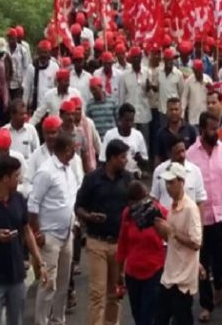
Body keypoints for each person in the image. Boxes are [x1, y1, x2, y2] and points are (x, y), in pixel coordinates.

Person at [0, 156, 49, 325]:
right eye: (16, 176)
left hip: (16, 275)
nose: (20, 179)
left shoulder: (19, 200)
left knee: (16, 321)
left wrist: (40, 262)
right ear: (6, 178)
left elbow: (27, 231)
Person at [75, 139, 133, 325]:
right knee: (97, 294)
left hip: (119, 245)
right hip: (97, 243)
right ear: (112, 158)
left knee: (115, 292)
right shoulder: (92, 179)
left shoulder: (128, 179)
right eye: (123, 157)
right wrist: (90, 217)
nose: (126, 161)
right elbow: (79, 207)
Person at [28, 133, 78, 325]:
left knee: (64, 283)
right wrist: (37, 233)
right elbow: (33, 205)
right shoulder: (46, 172)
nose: (75, 151)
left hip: (66, 235)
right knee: (48, 284)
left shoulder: (68, 169)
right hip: (49, 237)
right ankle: (41, 321)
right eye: (73, 148)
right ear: (66, 150)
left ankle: (58, 320)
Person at [186, 112, 222, 322]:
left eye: (217, 128)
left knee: (221, 258)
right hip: (200, 218)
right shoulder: (190, 155)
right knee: (202, 260)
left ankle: (220, 284)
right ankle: (206, 304)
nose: (216, 133)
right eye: (212, 129)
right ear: (202, 130)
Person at [152, 162, 203, 325]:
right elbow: (171, 240)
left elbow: (196, 242)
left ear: (182, 182)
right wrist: (160, 228)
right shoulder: (173, 207)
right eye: (166, 183)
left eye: (171, 182)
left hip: (183, 277)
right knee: (160, 318)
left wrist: (171, 231)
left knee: (182, 319)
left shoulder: (190, 208)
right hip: (170, 273)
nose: (168, 187)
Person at [116, 181, 167, 325]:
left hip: (154, 271)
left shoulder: (156, 210)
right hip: (133, 274)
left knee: (147, 316)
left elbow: (172, 227)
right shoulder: (128, 214)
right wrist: (119, 273)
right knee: (137, 315)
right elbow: (122, 243)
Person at [152, 136, 206, 210]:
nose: (182, 155)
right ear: (169, 153)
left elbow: (200, 201)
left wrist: (200, 221)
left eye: (183, 151)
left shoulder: (195, 171)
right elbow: (155, 199)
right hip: (166, 219)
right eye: (177, 152)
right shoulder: (159, 171)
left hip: (188, 219)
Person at [100, 103, 148, 177]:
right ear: (120, 119)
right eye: (126, 120)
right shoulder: (110, 135)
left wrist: (139, 159)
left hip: (133, 176)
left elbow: (145, 162)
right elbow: (103, 160)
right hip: (115, 176)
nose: (129, 124)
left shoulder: (138, 135)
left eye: (131, 120)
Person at [118, 47, 152, 146]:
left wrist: (149, 89)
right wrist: (121, 116)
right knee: (131, 142)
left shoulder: (147, 72)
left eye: (138, 57)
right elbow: (121, 97)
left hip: (144, 114)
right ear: (131, 59)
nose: (136, 60)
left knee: (144, 142)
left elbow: (151, 96)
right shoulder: (124, 75)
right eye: (134, 58)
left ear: (141, 58)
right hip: (130, 117)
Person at [153, 97, 197, 166]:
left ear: (181, 111)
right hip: (167, 170)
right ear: (166, 111)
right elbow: (158, 156)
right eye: (171, 110)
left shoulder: (190, 130)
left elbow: (196, 153)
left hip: (187, 169)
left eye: (176, 109)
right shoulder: (161, 133)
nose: (174, 112)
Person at [23, 40, 59, 116]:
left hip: (50, 109)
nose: (43, 55)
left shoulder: (55, 67)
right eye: (41, 52)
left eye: (46, 52)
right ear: (38, 53)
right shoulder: (31, 68)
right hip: (35, 109)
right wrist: (24, 108)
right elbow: (27, 89)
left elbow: (57, 88)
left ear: (49, 53)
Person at [181, 60, 212, 131]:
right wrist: (182, 115)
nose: (196, 73)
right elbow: (184, 98)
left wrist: (211, 89)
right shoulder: (189, 81)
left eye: (198, 71)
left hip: (206, 118)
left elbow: (214, 97)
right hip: (193, 118)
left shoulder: (208, 80)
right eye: (195, 71)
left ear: (202, 70)